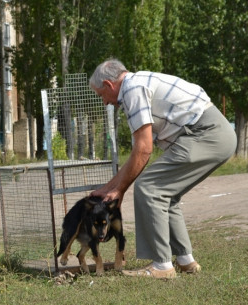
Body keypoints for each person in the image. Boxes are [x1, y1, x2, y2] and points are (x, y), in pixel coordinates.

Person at [89, 59, 237, 279]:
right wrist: (110, 187)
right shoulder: (138, 83)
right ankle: (185, 260)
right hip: (217, 134)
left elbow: (144, 149)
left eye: (102, 95)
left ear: (110, 85)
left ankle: (162, 266)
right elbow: (136, 155)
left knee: (149, 187)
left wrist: (120, 190)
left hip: (205, 134)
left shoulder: (132, 90)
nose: (105, 102)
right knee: (168, 193)